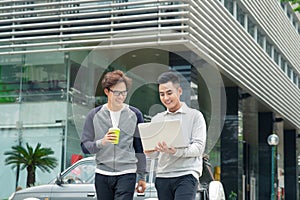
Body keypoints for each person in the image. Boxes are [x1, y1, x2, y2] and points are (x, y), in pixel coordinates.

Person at [80, 70, 147, 200]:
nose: (121, 96)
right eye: (117, 92)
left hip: (127, 173)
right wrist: (102, 142)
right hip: (102, 174)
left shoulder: (135, 114)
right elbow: (84, 146)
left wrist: (142, 177)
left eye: (124, 92)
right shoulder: (93, 115)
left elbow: (139, 147)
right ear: (107, 91)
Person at [146, 71, 207, 200]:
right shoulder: (157, 119)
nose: (166, 98)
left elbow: (198, 148)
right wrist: (149, 150)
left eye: (169, 93)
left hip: (186, 174)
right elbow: (153, 155)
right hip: (163, 176)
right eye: (162, 94)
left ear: (179, 91)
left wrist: (175, 151)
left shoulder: (195, 116)